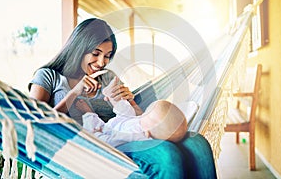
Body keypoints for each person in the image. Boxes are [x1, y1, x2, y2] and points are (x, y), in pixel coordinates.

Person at [28, 18, 217, 179]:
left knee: (196, 142)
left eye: (107, 56)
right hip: (86, 148)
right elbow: (34, 123)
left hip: (122, 137)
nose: (101, 62)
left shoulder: (107, 77)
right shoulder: (48, 76)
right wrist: (75, 92)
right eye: (96, 54)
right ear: (79, 47)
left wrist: (132, 104)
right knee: (166, 154)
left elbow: (139, 123)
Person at [81, 77, 188, 147]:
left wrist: (97, 132)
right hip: (123, 121)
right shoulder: (144, 124)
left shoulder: (137, 136)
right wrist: (129, 100)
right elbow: (135, 116)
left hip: (105, 131)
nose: (144, 113)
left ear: (147, 133)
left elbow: (111, 142)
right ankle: (111, 94)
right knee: (128, 112)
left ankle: (88, 113)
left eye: (148, 114)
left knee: (91, 122)